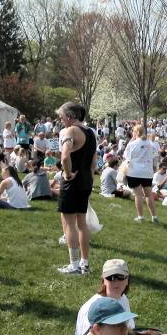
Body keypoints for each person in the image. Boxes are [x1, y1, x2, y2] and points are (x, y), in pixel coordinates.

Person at [74, 260, 167, 335]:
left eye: (120, 277)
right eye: (110, 277)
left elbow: (127, 331)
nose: (115, 281)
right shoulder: (92, 309)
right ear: (103, 280)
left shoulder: (122, 299)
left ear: (127, 279)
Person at [56, 102, 97, 274]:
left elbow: (65, 157)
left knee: (70, 224)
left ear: (70, 117)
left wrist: (66, 174)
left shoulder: (70, 131)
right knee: (82, 224)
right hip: (86, 180)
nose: (61, 121)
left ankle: (73, 265)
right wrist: (90, 178)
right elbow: (94, 162)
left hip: (73, 181)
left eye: (62, 117)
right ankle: (84, 264)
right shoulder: (91, 133)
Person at [123, 125, 158, 223]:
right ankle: (154, 217)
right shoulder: (151, 144)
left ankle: (140, 217)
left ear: (136, 132)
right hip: (147, 172)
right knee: (149, 195)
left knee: (138, 195)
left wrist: (132, 141)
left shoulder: (132, 144)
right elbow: (155, 154)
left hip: (134, 172)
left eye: (133, 131)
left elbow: (126, 156)